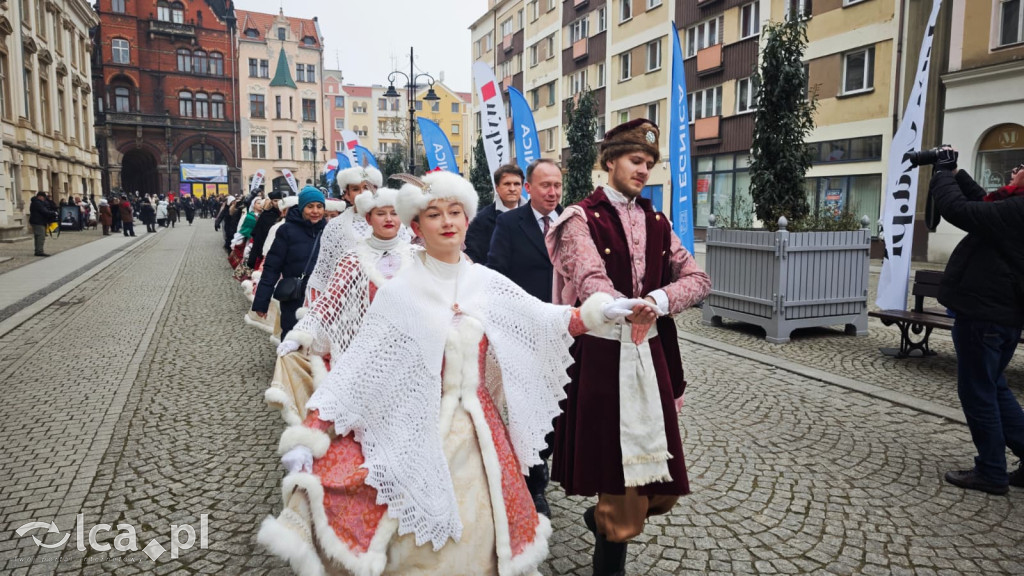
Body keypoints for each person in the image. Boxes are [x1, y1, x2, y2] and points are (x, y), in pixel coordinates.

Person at [257, 169, 645, 576]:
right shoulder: (398, 293)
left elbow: (541, 319)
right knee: (418, 546)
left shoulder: (484, 281)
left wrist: (594, 312)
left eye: (455, 212)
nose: (447, 222)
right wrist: (312, 433)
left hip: (481, 435)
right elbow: (358, 370)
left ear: (467, 219)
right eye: (434, 214)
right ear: (416, 226)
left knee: (486, 540)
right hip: (416, 427)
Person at [547, 118, 711, 576]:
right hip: (602, 359)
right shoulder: (580, 218)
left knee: (665, 486)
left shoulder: (657, 220)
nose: (643, 170)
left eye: (650, 164)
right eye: (636, 161)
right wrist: (626, 307)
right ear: (610, 161)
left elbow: (698, 279)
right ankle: (610, 557)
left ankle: (603, 523)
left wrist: (659, 299)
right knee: (618, 482)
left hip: (652, 358)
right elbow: (591, 283)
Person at [268, 187, 416, 424]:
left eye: (394, 213)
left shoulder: (418, 256)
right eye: (381, 213)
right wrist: (301, 333)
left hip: (407, 351)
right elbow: (329, 301)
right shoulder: (353, 258)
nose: (389, 219)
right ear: (368, 218)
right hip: (363, 349)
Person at [930, 153, 1024, 495]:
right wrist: (956, 173)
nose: (1015, 170)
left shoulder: (1018, 210)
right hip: (1001, 315)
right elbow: (982, 203)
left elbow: (961, 211)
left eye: (1022, 168)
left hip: (985, 316)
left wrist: (940, 175)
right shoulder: (1013, 208)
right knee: (994, 386)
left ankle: (991, 471)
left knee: (978, 391)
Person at [486, 158, 564, 516]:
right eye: (545, 186)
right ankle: (535, 483)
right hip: (524, 331)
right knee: (528, 403)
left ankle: (542, 458)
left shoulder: (570, 222)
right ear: (529, 188)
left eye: (558, 186)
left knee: (558, 402)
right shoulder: (508, 223)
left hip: (565, 329)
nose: (552, 192)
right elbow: (496, 275)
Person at [252, 187, 327, 336]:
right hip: (295, 297)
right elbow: (272, 267)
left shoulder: (328, 231)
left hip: (321, 298)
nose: (315, 211)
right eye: (310, 206)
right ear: (301, 208)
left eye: (319, 206)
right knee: (292, 340)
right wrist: (262, 301)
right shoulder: (287, 230)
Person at [464, 164, 526, 265]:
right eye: (507, 184)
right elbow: (474, 255)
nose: (512, 188)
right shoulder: (481, 219)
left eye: (517, 184)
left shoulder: (533, 215)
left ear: (522, 187)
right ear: (497, 187)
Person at [29, 191, 58, 257]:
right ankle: (39, 251)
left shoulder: (35, 202)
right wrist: (53, 213)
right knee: (40, 236)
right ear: (40, 196)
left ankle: (37, 250)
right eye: (43, 197)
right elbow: (44, 211)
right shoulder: (37, 203)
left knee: (38, 236)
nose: (44, 199)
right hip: (38, 222)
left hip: (37, 221)